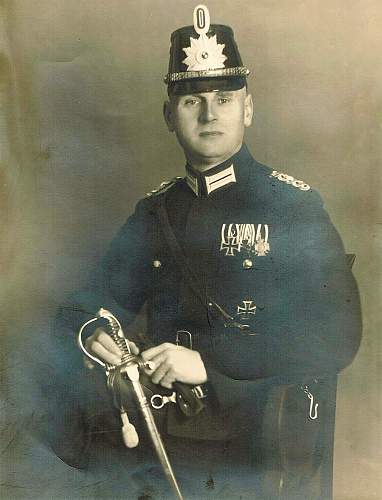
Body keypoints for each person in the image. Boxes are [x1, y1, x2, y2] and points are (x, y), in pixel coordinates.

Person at [55, 5, 362, 499]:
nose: (210, 112)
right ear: (169, 116)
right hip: (166, 442)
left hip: (262, 445)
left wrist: (209, 364)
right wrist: (95, 335)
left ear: (248, 109)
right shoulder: (156, 212)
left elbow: (336, 335)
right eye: (192, 100)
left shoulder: (292, 207)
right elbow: (81, 309)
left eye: (224, 97)